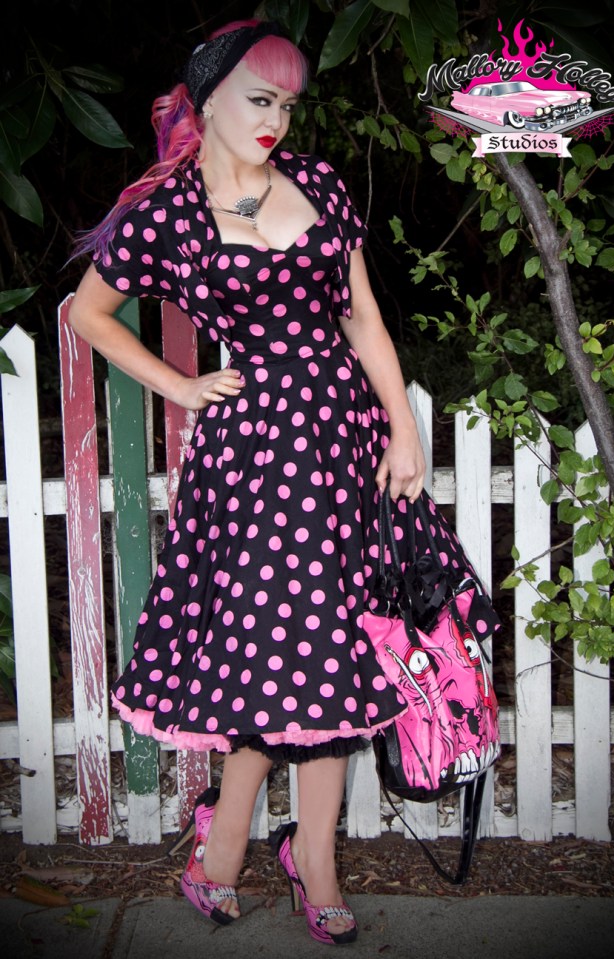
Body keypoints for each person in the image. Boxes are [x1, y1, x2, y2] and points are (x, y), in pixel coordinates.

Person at [69, 18, 428, 946]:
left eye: (287, 104)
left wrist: (404, 428)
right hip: (252, 456)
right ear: (208, 99)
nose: (275, 119)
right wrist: (182, 384)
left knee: (333, 648)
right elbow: (89, 312)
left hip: (337, 440)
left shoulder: (317, 185)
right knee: (279, 646)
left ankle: (299, 852)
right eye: (259, 99)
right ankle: (234, 844)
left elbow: (363, 323)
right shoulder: (172, 212)